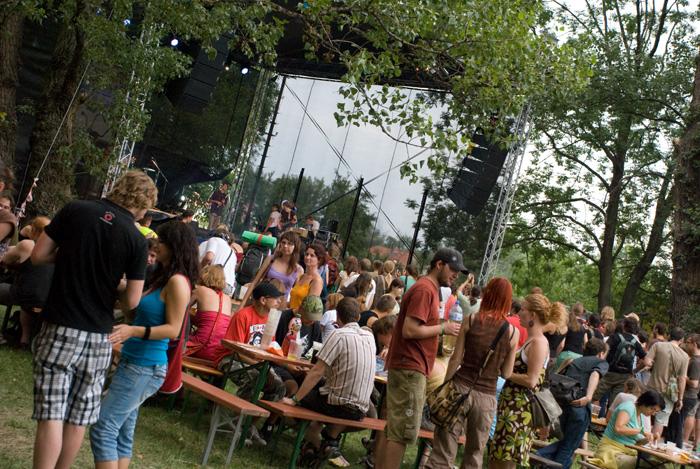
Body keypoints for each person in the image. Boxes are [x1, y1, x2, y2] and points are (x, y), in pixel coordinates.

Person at [30, 170, 156, 469]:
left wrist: (70, 257)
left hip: (60, 325)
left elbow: (37, 256)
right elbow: (132, 301)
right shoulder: (137, 240)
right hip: (99, 335)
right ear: (144, 204)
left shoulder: (76, 209)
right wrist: (117, 284)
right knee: (78, 419)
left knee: (51, 415)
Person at [90, 220, 197, 469]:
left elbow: (173, 329)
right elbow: (137, 314)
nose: (156, 245)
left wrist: (132, 331)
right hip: (134, 362)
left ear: (176, 247)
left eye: (162, 241)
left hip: (145, 367)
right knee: (122, 433)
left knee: (103, 427)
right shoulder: (162, 278)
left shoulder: (177, 282)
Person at [375, 248, 465, 469]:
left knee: (394, 429)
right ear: (439, 265)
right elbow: (410, 330)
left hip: (408, 366)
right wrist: (443, 328)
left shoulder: (428, 289)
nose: (456, 275)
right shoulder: (425, 289)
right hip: (410, 367)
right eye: (453, 269)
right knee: (401, 433)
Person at [425, 277, 519, 469]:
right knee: (475, 454)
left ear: (487, 294)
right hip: (486, 397)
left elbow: (455, 359)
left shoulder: (471, 319)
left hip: (460, 387)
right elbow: (507, 373)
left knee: (443, 449)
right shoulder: (512, 332)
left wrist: (446, 386)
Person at [282, 297, 376, 462]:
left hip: (338, 405)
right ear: (359, 317)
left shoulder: (339, 334)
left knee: (293, 402)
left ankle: (316, 443)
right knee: (319, 400)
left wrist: (294, 399)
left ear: (337, 317)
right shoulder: (369, 337)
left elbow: (317, 371)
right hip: (362, 409)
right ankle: (323, 443)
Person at [488, 292, 566, 469]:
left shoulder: (538, 343)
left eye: (523, 309)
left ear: (533, 315)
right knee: (497, 459)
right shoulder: (532, 340)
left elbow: (532, 380)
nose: (519, 313)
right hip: (511, 408)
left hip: (519, 411)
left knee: (504, 462)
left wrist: (507, 374)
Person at [537, 338, 609, 469]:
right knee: (568, 447)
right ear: (601, 353)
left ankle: (540, 459)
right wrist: (589, 396)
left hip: (564, 407)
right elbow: (595, 374)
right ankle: (540, 456)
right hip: (580, 407)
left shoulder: (574, 361)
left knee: (567, 443)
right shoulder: (601, 362)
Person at [0, 216, 53, 347]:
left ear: (33, 230)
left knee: (23, 295)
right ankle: (24, 340)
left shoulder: (27, 244)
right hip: (46, 300)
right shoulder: (54, 251)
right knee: (29, 298)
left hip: (24, 295)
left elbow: (5, 260)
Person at [213, 282, 284, 366]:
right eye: (276, 298)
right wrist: (258, 365)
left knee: (273, 374)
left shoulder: (271, 320)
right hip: (230, 360)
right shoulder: (242, 316)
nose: (279, 301)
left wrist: (288, 366)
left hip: (254, 363)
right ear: (263, 300)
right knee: (260, 374)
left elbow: (270, 349)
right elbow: (236, 350)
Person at [588, 390, 664, 469]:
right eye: (652, 409)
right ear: (644, 403)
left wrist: (648, 439)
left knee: (658, 465)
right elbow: (618, 428)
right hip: (611, 453)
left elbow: (635, 443)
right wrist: (641, 431)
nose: (653, 413)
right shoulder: (629, 407)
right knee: (655, 466)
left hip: (626, 453)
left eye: (656, 411)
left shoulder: (640, 415)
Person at [643, 326, 689, 438]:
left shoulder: (658, 346)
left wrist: (652, 364)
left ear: (669, 336)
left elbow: (647, 362)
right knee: (661, 420)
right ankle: (652, 444)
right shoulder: (685, 356)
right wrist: (680, 399)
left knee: (645, 413)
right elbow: (682, 379)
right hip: (669, 393)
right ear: (681, 340)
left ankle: (640, 439)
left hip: (653, 387)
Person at [273, 295, 324, 396]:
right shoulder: (283, 318)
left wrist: (307, 368)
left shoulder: (315, 326)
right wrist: (287, 365)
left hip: (301, 368)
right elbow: (273, 347)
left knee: (321, 386)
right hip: (280, 364)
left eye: (315, 319)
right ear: (300, 308)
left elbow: (316, 350)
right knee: (292, 387)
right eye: (309, 317)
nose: (312, 321)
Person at [593, 316, 647, 407]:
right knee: (614, 404)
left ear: (624, 325)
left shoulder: (615, 337)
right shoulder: (636, 342)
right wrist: (635, 371)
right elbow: (645, 361)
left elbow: (604, 349)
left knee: (594, 396)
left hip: (609, 373)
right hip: (624, 376)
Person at [186, 265, 233, 362]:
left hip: (200, 347)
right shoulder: (227, 298)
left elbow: (181, 309)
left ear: (204, 275)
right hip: (217, 353)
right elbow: (211, 321)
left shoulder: (200, 290)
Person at [264, 230, 304, 299]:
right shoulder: (271, 259)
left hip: (282, 303)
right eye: (283, 242)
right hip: (264, 300)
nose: (285, 246)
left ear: (295, 247)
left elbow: (296, 295)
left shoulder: (299, 269)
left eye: (290, 244)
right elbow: (255, 281)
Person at [198, 229, 237, 296]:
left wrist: (199, 269)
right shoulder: (232, 252)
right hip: (229, 287)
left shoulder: (214, 240)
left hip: (215, 283)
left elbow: (208, 257)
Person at [289, 243, 325, 312]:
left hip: (298, 317)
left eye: (312, 255)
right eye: (306, 254)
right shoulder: (302, 276)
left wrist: (288, 312)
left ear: (319, 260)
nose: (308, 257)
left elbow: (309, 307)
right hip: (289, 313)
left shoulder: (317, 281)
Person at [555, 302, 589, 369]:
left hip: (566, 355)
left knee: (556, 374)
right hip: (579, 357)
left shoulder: (567, 324)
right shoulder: (584, 327)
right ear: (582, 313)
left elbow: (562, 345)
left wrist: (556, 356)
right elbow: (586, 343)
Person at [682, 334, 700, 448]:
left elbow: (694, 383)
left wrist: (683, 376)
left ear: (694, 344)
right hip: (697, 394)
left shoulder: (695, 361)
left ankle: (684, 441)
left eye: (688, 342)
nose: (686, 345)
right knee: (697, 416)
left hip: (691, 394)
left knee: (690, 415)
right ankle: (695, 443)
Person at [0, 190, 17, 260]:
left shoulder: (9, 218)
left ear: (10, 209)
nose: (2, 209)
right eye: (0, 205)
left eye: (6, 207)